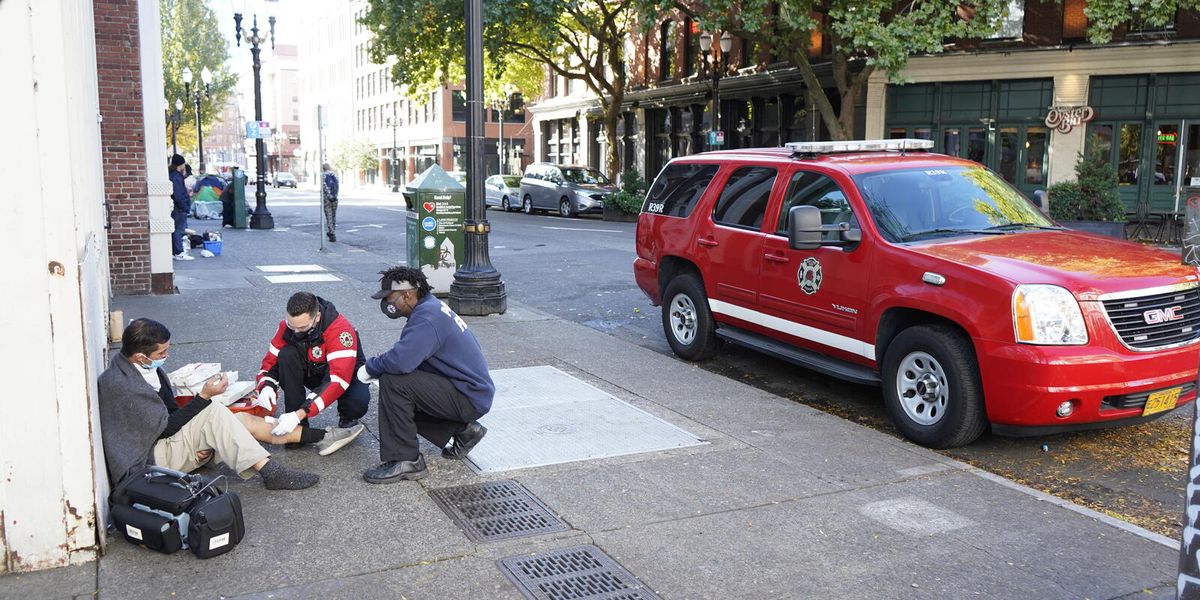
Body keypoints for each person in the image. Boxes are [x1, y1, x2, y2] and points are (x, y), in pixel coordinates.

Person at [97, 318, 318, 490]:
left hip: (162, 444)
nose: (166, 355)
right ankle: (272, 472)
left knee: (240, 420)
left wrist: (200, 438)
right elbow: (164, 429)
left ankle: (323, 435)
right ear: (140, 356)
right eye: (161, 352)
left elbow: (171, 412)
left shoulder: (145, 369)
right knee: (214, 412)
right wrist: (203, 396)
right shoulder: (122, 386)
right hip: (148, 461)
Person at [358, 266, 494, 484]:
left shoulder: (427, 318)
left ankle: (406, 460)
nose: (387, 304)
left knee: (393, 382)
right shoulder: (430, 308)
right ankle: (464, 430)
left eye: (390, 298)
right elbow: (408, 356)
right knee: (399, 398)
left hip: (468, 395)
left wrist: (371, 367)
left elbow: (401, 362)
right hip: (467, 390)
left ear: (408, 294)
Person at [254, 292, 368, 456]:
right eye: (292, 326)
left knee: (356, 404)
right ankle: (297, 429)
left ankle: (346, 418)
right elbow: (270, 362)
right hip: (314, 368)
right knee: (286, 355)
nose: (296, 332)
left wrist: (301, 412)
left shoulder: (340, 330)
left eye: (302, 327)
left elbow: (337, 381)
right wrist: (266, 386)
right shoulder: (287, 326)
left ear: (317, 317)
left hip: (346, 376)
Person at [169, 154, 193, 261]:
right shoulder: (177, 177)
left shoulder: (173, 175)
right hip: (179, 208)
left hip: (177, 207)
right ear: (180, 164)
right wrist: (185, 206)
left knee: (176, 230)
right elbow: (179, 195)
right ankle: (178, 252)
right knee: (178, 230)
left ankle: (176, 251)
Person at [321, 163, 339, 242]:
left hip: (327, 199)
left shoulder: (323, 175)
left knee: (329, 215)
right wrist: (334, 195)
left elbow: (324, 187)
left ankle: (332, 233)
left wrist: (329, 196)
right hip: (335, 198)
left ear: (323, 168)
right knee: (333, 215)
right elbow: (337, 186)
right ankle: (333, 231)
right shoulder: (335, 175)